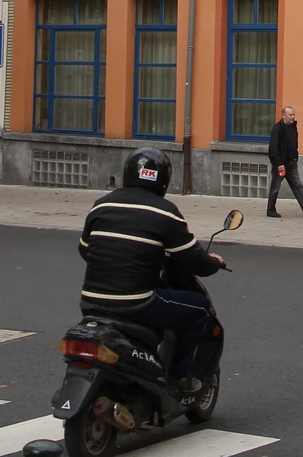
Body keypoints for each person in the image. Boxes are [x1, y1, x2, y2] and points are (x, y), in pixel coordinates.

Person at [77, 148, 224, 391]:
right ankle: (179, 376)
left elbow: (85, 250)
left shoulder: (101, 205)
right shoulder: (165, 212)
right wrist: (215, 262)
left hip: (90, 303)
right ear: (164, 180)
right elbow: (197, 262)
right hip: (136, 304)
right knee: (199, 309)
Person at [266, 105, 303, 218]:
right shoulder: (277, 129)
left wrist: (295, 157)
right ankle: (270, 210)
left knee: (297, 185)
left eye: (293, 115)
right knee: (275, 187)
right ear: (284, 115)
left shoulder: (293, 127)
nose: (292, 117)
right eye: (290, 115)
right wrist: (279, 164)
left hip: (291, 162)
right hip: (280, 164)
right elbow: (273, 149)